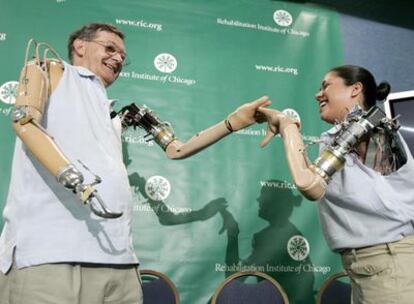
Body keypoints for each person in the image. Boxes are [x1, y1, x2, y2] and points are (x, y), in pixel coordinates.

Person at [0, 22, 270, 304]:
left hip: (118, 260)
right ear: (80, 46)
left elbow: (176, 149)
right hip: (51, 255)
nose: (118, 58)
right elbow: (24, 120)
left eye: (122, 56)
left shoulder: (113, 115)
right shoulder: (51, 70)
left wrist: (232, 123)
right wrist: (72, 177)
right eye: (109, 48)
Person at [258, 65, 414, 303]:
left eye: (326, 86)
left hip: (390, 266)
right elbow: (314, 176)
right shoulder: (336, 137)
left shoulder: (371, 124)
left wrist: (286, 125)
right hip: (368, 269)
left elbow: (309, 184)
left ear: (355, 89)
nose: (318, 94)